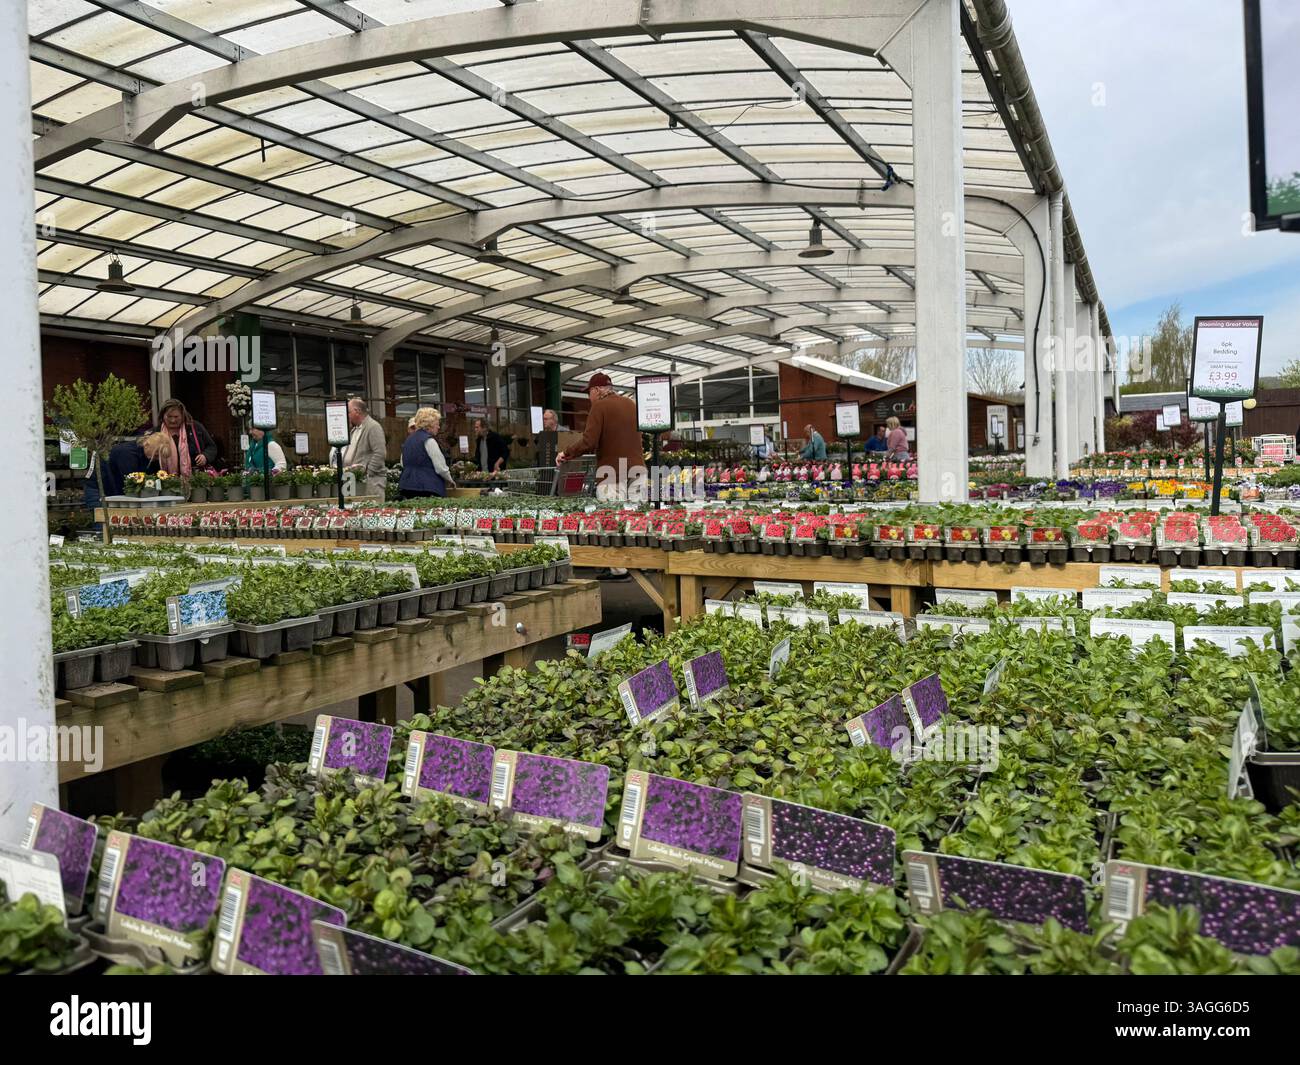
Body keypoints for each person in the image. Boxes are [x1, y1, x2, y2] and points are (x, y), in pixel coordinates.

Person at [556, 373, 647, 501]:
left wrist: (566, 453)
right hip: (638, 470)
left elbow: (589, 441)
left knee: (612, 518)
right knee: (639, 517)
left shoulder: (599, 406)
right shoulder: (631, 404)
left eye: (589, 393)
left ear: (597, 390)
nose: (589, 397)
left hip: (612, 473)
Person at [399, 407, 455, 499]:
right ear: (429, 425)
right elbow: (440, 467)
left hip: (406, 486)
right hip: (428, 488)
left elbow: (402, 463)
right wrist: (450, 479)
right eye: (437, 424)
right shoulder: (429, 441)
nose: (439, 427)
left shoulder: (408, 440)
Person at [157, 398, 217, 478]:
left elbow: (211, 447)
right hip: (164, 481)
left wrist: (205, 456)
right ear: (163, 416)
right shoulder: (156, 432)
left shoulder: (195, 427)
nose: (173, 420)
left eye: (176, 417)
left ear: (183, 415)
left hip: (195, 479)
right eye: (169, 416)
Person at [341, 397, 388, 499]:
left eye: (348, 412)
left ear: (357, 411)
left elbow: (380, 453)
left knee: (372, 512)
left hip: (371, 483)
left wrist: (368, 473)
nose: (347, 416)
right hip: (355, 482)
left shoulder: (373, 427)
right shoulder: (354, 429)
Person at [102, 431, 171, 497]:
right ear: (146, 445)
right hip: (107, 490)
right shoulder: (127, 454)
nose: (157, 459)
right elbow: (131, 482)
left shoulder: (150, 456)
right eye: (156, 456)